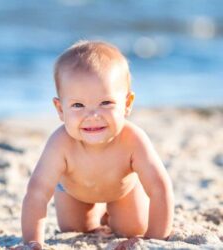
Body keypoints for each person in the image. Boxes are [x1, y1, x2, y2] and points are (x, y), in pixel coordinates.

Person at [16, 40, 174, 249]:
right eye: (78, 105)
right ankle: (97, 214)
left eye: (105, 103)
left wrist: (155, 239)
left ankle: (113, 213)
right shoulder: (60, 143)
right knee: (74, 229)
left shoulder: (133, 139)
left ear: (127, 104)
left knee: (132, 229)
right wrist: (32, 243)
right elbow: (37, 192)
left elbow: (159, 188)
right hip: (74, 192)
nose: (92, 115)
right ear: (60, 109)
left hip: (122, 190)